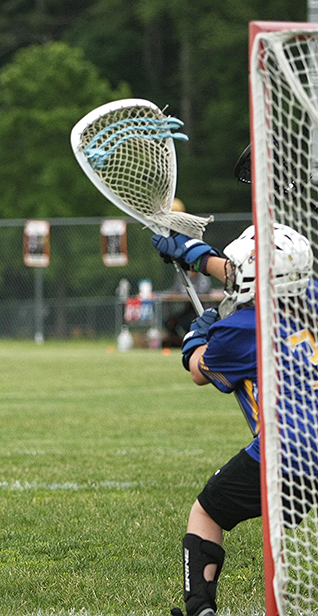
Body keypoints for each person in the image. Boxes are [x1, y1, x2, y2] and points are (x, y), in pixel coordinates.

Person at [151, 223, 318, 616]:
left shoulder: (243, 328)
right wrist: (195, 253)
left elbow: (198, 370)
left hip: (290, 452)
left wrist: (196, 334)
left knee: (207, 512)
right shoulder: (310, 294)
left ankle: (200, 608)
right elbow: (260, 273)